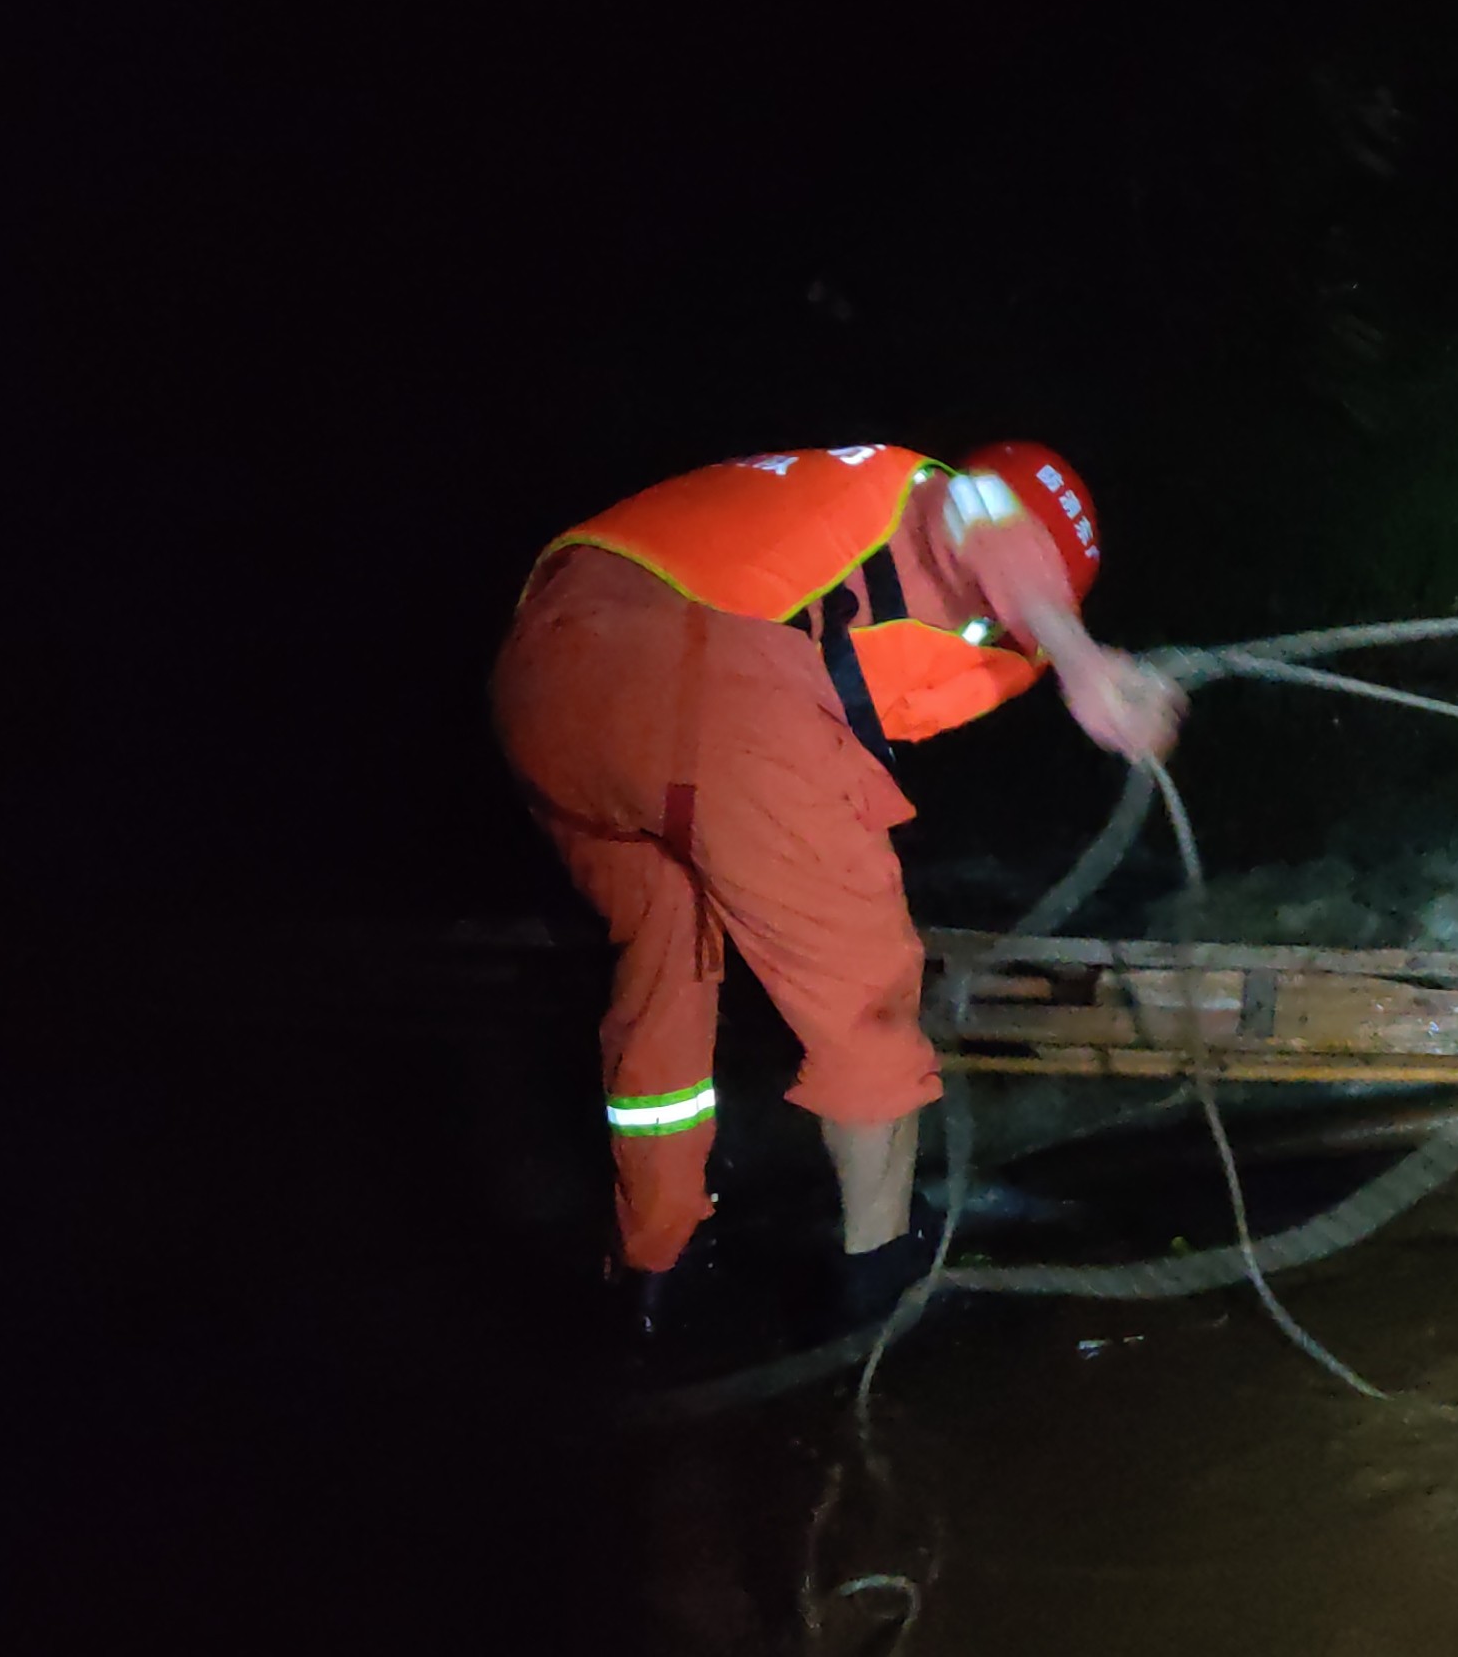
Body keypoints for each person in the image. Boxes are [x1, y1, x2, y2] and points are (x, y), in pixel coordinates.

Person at [492, 441, 1183, 1339]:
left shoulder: (942, 620)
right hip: (684, 667)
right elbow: (985, 511)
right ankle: (884, 1285)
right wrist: (1083, 658)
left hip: (542, 692)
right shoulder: (933, 494)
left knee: (667, 962)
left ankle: (654, 1265)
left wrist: (1087, 663)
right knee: (866, 989)